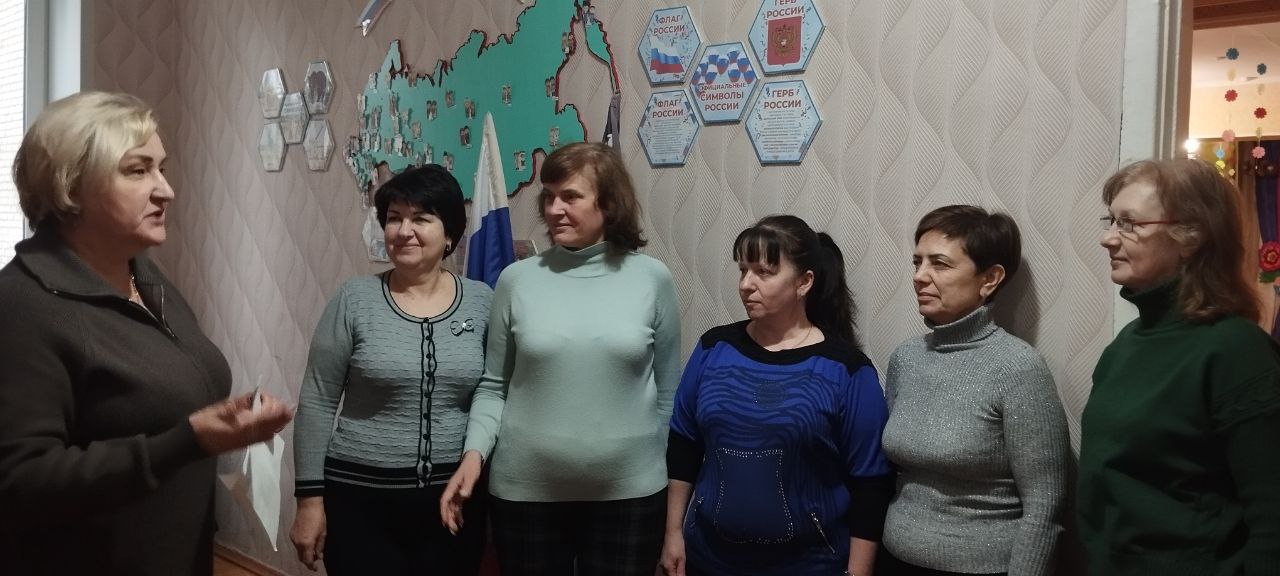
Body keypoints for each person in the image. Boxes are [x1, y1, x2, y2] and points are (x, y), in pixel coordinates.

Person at [0, 91, 293, 576]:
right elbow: (20, 481)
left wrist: (217, 426)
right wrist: (186, 441)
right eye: (138, 171)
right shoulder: (22, 303)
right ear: (71, 184)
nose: (166, 190)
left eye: (161, 168)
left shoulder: (145, 275)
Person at [440, 142, 681, 576]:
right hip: (525, 493)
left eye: (570, 197)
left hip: (628, 494)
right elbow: (494, 386)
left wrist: (643, 465)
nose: (554, 209)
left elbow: (667, 392)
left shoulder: (652, 278)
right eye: (548, 197)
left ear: (609, 203)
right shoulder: (516, 280)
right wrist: (473, 456)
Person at [661, 215, 895, 576]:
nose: (746, 285)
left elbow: (871, 482)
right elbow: (684, 443)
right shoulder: (713, 348)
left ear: (804, 282)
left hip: (810, 565)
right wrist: (672, 533)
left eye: (764, 272)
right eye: (743, 270)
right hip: (708, 558)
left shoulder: (846, 370)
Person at [1078, 159, 1280, 574]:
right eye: (1110, 220)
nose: (1107, 238)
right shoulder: (1127, 344)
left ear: (1191, 236)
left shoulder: (1235, 350)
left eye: (1129, 223)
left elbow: (1271, 515)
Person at [290, 164, 492, 575]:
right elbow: (317, 400)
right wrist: (309, 500)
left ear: (450, 233)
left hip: (454, 502)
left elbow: (495, 392)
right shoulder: (354, 299)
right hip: (359, 504)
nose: (403, 231)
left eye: (421, 218)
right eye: (394, 218)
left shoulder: (482, 302)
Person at [879, 205, 1070, 576]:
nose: (919, 276)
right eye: (917, 262)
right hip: (894, 558)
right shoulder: (906, 358)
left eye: (939, 264)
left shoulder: (1017, 367)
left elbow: (1045, 504)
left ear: (990, 279)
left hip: (983, 566)